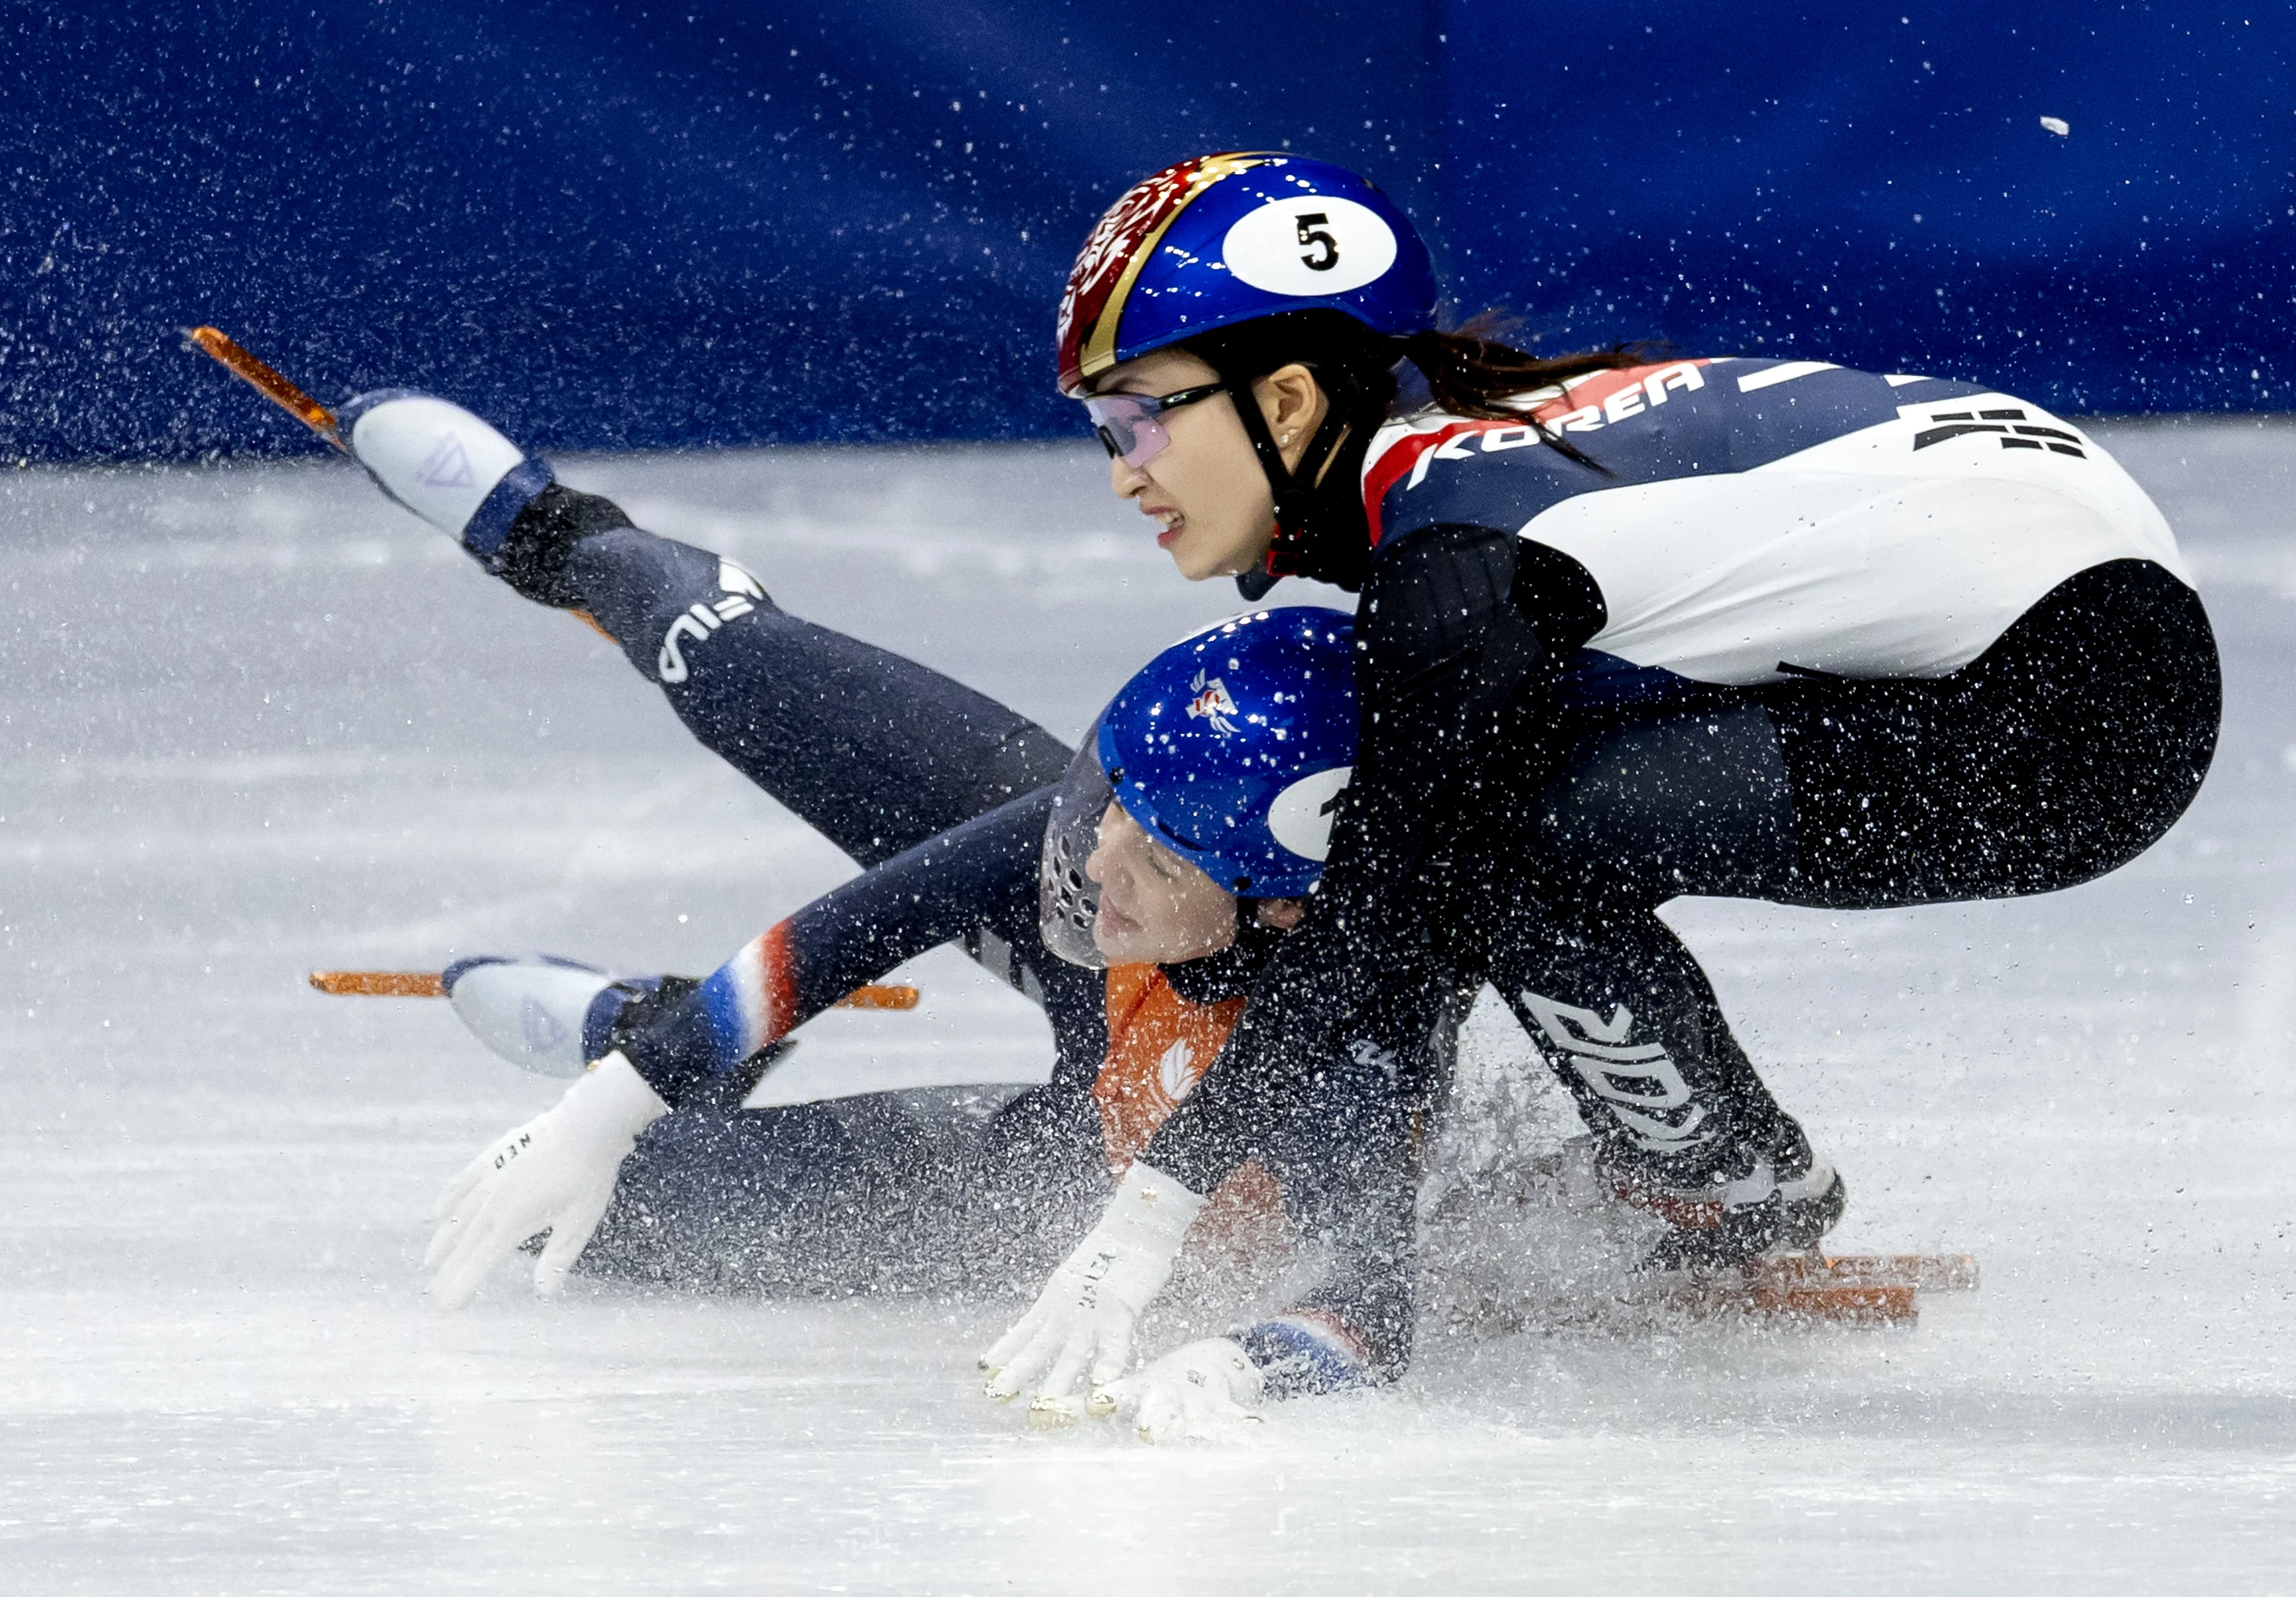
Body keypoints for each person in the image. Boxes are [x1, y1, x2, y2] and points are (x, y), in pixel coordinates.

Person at [980, 151, 2222, 1413]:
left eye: (1137, 420)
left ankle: (1725, 1193)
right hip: (2065, 605)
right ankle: (1698, 1167)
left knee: (1481, 856)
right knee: (1446, 840)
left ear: (1288, 403)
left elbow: (1383, 926)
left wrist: (1151, 1214)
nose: (1124, 470)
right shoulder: (1465, 457)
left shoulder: (1455, 568)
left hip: (2072, 721)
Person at [337, 389, 1448, 1434]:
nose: (1103, 854)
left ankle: (632, 1019)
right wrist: (615, 1100)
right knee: (740, 663)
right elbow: (857, 925)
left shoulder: (1336, 1060)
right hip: (1134, 992)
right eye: (1113, 801)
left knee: (604, 1215)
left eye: (1154, 857)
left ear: (1283, 911)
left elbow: (1375, 1306)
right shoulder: (1110, 831)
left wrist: (1244, 1361)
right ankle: (547, 526)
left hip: (1096, 1144)